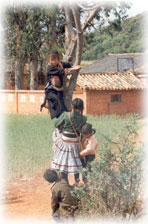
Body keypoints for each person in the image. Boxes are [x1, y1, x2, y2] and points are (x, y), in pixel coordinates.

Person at [51, 98, 87, 184]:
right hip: (76, 142)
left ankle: (65, 180)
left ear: (72, 106)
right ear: (82, 108)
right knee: (76, 161)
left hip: (65, 141)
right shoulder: (84, 118)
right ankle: (77, 180)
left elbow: (56, 124)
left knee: (64, 160)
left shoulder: (66, 115)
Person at [40, 50, 81, 119]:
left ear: (58, 60)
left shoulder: (60, 64)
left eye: (55, 60)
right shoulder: (49, 68)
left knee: (62, 107)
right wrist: (74, 68)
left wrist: (72, 64)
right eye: (51, 60)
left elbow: (67, 64)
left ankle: (65, 118)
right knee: (57, 102)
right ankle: (47, 105)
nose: (53, 62)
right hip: (50, 91)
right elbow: (61, 71)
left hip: (59, 90)